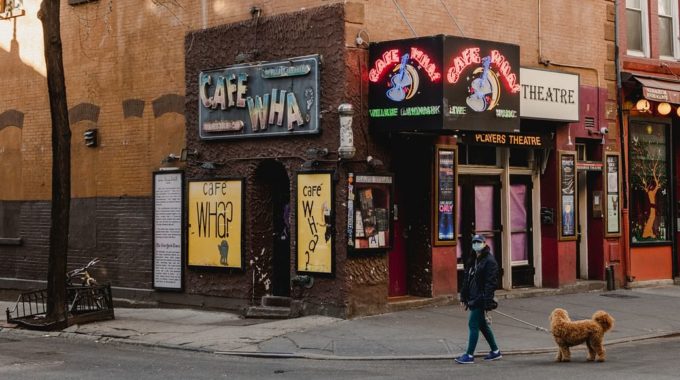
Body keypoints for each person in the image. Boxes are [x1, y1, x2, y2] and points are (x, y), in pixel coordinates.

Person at [455, 234, 502, 364]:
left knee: (473, 324)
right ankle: (495, 351)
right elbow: (467, 279)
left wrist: (487, 301)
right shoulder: (473, 259)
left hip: (480, 298)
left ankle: (469, 355)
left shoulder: (490, 261)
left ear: (485, 243)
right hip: (473, 297)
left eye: (478, 242)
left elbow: (490, 284)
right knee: (482, 326)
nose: (476, 244)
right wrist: (463, 297)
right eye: (474, 242)